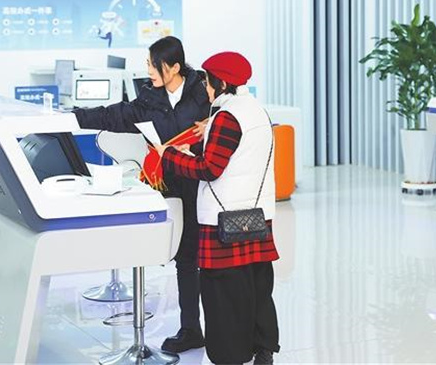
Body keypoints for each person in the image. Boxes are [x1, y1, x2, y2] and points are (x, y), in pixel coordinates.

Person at [72, 36, 209, 354]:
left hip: (203, 185)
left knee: (210, 260)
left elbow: (223, 127)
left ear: (174, 67)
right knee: (185, 258)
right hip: (170, 187)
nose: (147, 70)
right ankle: (191, 329)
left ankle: (224, 329)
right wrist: (75, 117)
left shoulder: (203, 94)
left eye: (153, 64)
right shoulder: (150, 98)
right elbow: (115, 115)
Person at [155, 51, 280, 365]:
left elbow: (210, 169)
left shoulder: (227, 117)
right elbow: (237, 156)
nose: (206, 89)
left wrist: (168, 155)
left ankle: (230, 356)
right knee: (257, 287)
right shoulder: (256, 110)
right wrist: (193, 147)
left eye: (208, 82)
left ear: (221, 83)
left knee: (223, 295)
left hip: (224, 221)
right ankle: (263, 350)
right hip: (257, 217)